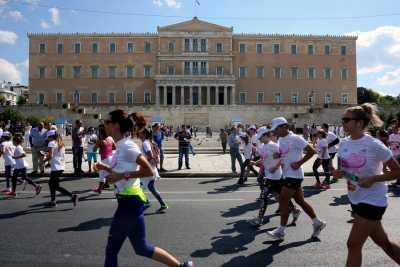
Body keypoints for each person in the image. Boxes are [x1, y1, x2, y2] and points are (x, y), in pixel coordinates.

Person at [95, 109, 193, 267]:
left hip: (129, 203)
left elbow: (147, 170)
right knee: (141, 248)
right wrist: (105, 167)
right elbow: (120, 172)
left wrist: (121, 176)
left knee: (111, 251)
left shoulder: (127, 146)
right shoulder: (119, 146)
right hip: (130, 202)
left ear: (116, 125)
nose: (104, 125)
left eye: (107, 122)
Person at [332, 103, 400, 267]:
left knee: (353, 244)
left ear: (360, 123)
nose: (343, 123)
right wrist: (337, 171)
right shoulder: (344, 143)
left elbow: (397, 171)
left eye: (347, 119)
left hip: (373, 201)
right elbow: (341, 168)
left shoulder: (374, 145)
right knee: (384, 243)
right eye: (343, 119)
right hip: (355, 199)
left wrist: (373, 179)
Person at [267, 117, 326, 241]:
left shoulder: (295, 138)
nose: (274, 132)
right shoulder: (281, 139)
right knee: (300, 201)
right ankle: (318, 222)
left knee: (283, 201)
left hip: (294, 175)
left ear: (284, 127)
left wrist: (299, 163)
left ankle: (281, 231)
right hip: (287, 174)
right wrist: (279, 155)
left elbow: (311, 151)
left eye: (276, 129)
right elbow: (285, 153)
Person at [249, 127, 301, 226]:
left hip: (277, 176)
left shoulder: (274, 146)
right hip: (269, 176)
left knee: (269, 197)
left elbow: (283, 157)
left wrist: (276, 167)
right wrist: (255, 162)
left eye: (260, 137)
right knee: (278, 197)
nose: (259, 139)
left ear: (265, 136)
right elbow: (265, 159)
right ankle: (294, 210)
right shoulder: (263, 146)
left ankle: (260, 219)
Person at [44, 130, 78, 207]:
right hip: (60, 166)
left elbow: (51, 155)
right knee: (52, 184)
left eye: (48, 137)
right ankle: (53, 201)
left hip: (56, 167)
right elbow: (56, 155)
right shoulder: (60, 143)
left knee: (54, 185)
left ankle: (72, 196)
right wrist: (49, 162)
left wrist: (44, 160)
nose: (48, 139)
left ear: (51, 137)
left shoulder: (51, 143)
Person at [138, 128, 168, 211]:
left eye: (140, 133)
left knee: (137, 187)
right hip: (152, 169)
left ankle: (146, 202)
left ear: (144, 134)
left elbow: (150, 155)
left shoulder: (145, 143)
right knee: (151, 188)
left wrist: (145, 164)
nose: (138, 134)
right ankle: (163, 204)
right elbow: (156, 154)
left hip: (147, 170)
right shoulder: (151, 142)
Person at [92, 125, 115, 194]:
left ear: (101, 134)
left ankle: (99, 189)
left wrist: (99, 147)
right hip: (111, 157)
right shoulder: (110, 138)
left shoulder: (100, 141)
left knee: (101, 174)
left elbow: (94, 149)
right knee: (107, 172)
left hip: (105, 159)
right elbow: (115, 147)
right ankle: (106, 185)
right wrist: (107, 149)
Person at [388, 122, 400, 187]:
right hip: (393, 153)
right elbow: (389, 143)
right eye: (393, 129)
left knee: (398, 167)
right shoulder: (391, 135)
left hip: (399, 153)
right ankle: (397, 181)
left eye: (395, 129)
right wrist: (391, 142)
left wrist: (397, 143)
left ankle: (398, 182)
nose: (394, 130)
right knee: (395, 168)